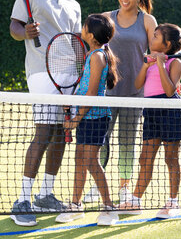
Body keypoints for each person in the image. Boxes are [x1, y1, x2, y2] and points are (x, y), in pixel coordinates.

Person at [9, 0, 85, 227]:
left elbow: (77, 43)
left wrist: (82, 75)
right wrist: (25, 32)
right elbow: (14, 26)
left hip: (69, 76)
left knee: (61, 134)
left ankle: (46, 194)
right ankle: (23, 200)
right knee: (43, 132)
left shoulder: (74, 5)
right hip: (41, 72)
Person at [83, 0, 158, 204]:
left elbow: (155, 55)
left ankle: (124, 186)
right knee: (101, 140)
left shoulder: (148, 21)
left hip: (134, 94)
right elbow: (93, 50)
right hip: (106, 93)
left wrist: (174, 78)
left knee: (127, 141)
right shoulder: (106, 17)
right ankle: (98, 186)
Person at [117, 23, 181, 219]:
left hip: (170, 111)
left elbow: (169, 91)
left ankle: (173, 202)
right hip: (151, 112)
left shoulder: (175, 63)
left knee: (171, 159)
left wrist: (160, 64)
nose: (152, 39)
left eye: (156, 36)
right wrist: (147, 65)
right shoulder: (147, 60)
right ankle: (135, 201)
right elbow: (138, 84)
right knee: (144, 159)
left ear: (167, 44)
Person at [55, 14, 120, 226]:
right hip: (85, 116)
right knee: (80, 160)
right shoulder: (92, 53)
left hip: (96, 118)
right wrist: (73, 106)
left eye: (84, 27)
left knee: (91, 162)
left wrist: (75, 119)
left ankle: (109, 207)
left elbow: (92, 93)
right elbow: (84, 90)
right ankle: (76, 204)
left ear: (90, 35)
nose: (81, 28)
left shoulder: (97, 56)